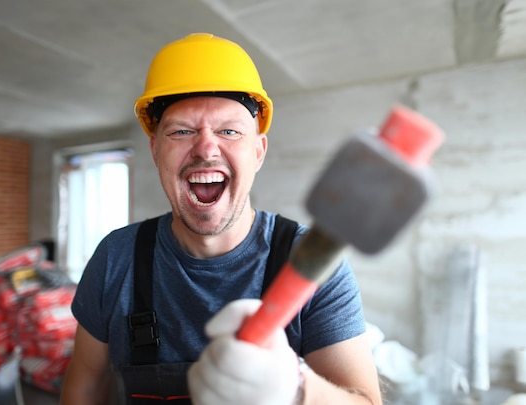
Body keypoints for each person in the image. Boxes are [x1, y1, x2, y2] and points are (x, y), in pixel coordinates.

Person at [59, 32, 383, 405]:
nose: (206, 148)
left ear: (258, 151)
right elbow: (83, 390)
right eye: (181, 131)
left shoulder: (311, 260)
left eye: (229, 131)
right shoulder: (117, 258)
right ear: (154, 150)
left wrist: (297, 388)